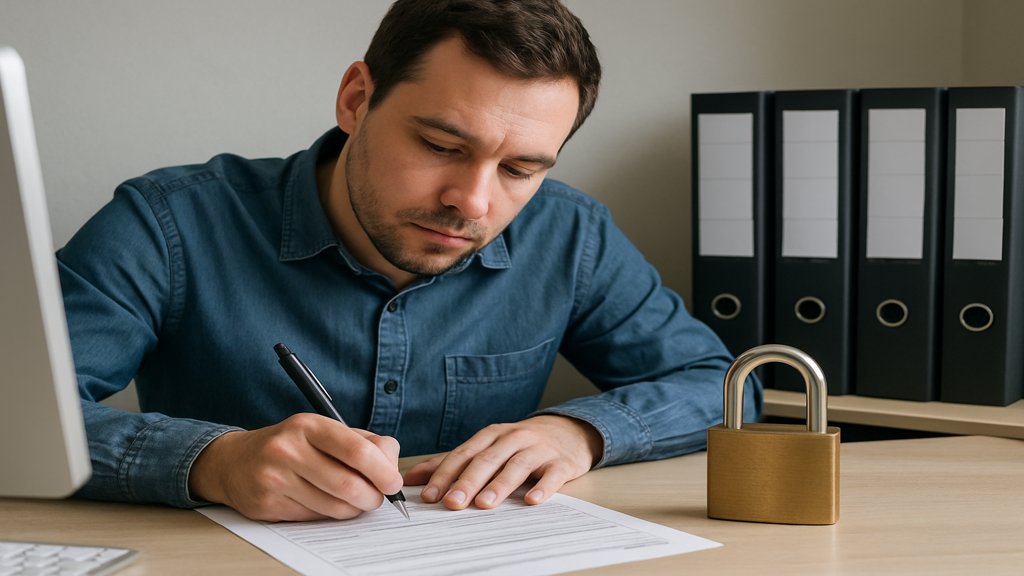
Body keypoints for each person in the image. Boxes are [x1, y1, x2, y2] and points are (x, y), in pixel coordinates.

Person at [59, 0, 761, 522]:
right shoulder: (169, 223)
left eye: (520, 168)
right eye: (442, 147)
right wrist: (212, 463)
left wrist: (579, 432)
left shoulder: (570, 234)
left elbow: (724, 385)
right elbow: (18, 415)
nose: (473, 202)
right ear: (357, 99)